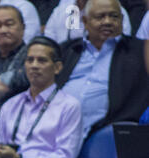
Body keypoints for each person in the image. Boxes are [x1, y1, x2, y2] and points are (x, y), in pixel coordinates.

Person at [57, 0, 149, 140]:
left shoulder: (139, 51)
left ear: (122, 20)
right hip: (58, 128)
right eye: (100, 17)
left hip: (110, 134)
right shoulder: (67, 51)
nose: (108, 21)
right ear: (85, 21)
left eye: (114, 16)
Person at [44, 0, 132, 44]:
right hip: (66, 65)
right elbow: (49, 43)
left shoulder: (114, 9)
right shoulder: (61, 10)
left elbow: (124, 42)